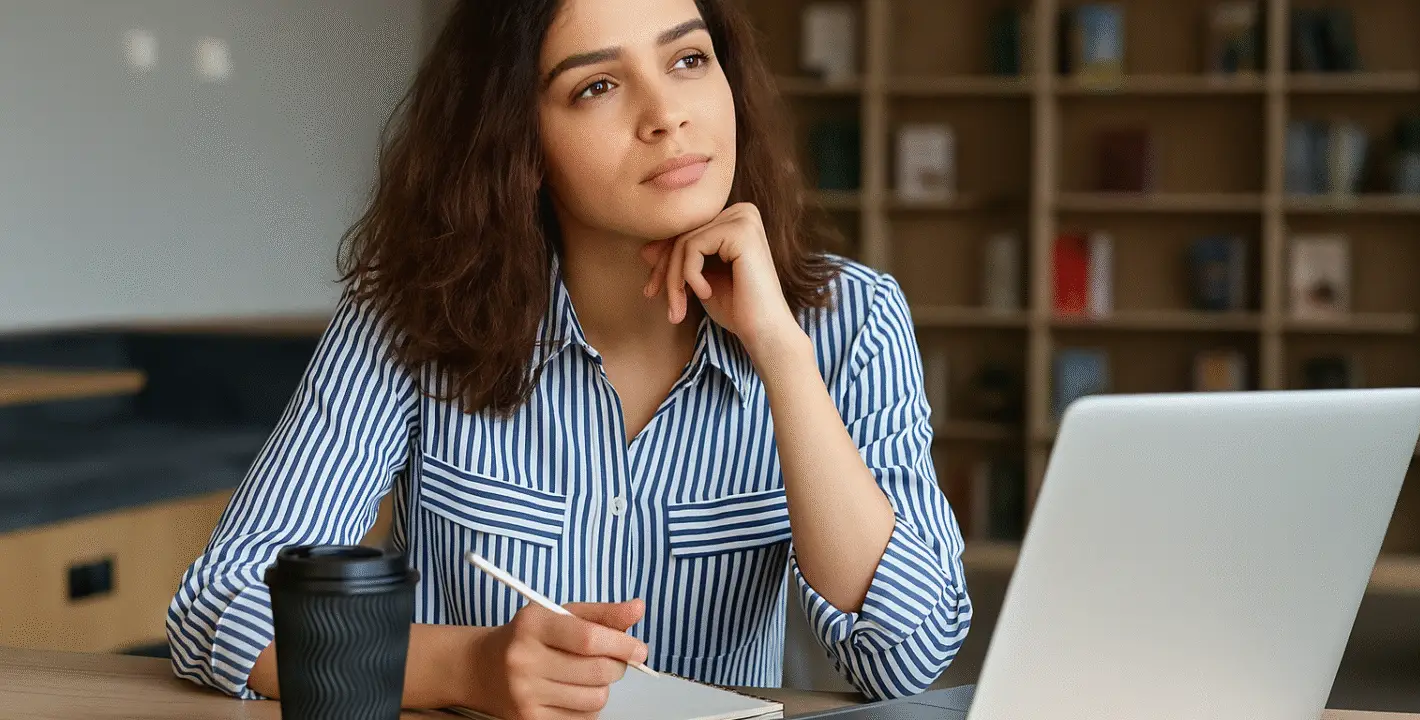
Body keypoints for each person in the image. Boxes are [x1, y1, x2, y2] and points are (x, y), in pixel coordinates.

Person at [166, 0, 972, 716]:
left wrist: (784, 356)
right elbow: (220, 605)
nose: (666, 116)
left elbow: (910, 657)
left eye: (688, 59)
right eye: (597, 86)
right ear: (518, 139)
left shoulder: (849, 321)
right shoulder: (411, 317)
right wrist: (465, 668)